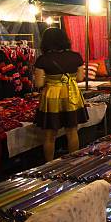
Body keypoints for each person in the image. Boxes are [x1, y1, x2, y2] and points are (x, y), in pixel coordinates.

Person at [34, 28, 88, 161]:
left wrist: (52, 80)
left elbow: (39, 83)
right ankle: (74, 163)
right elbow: (81, 78)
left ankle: (50, 165)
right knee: (72, 132)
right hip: (72, 95)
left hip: (52, 97)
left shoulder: (42, 59)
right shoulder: (76, 56)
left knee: (50, 135)